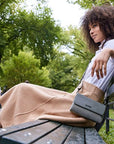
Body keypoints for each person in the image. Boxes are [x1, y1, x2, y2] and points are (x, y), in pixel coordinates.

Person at [0, 5, 114, 128]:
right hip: (78, 101)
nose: (91, 31)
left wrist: (107, 52)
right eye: (89, 28)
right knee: (23, 90)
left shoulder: (110, 44)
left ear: (107, 25)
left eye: (95, 26)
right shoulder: (102, 48)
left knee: (23, 89)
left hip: (84, 108)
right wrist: (104, 51)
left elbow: (111, 49)